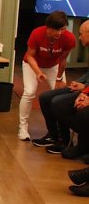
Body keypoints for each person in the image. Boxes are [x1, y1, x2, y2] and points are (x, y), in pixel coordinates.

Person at [32, 21, 89, 154]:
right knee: (45, 97)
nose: (79, 37)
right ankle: (55, 137)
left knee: (58, 103)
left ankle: (70, 141)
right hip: (84, 88)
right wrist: (77, 83)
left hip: (86, 90)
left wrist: (84, 88)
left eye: (81, 34)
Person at [18, 10, 76, 141]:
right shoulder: (37, 33)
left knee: (60, 95)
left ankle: (58, 132)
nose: (59, 33)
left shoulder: (69, 38)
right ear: (48, 28)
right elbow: (30, 56)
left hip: (54, 65)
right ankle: (23, 127)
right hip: (32, 64)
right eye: (56, 30)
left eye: (62, 29)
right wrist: (38, 72)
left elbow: (63, 59)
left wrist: (59, 79)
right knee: (29, 92)